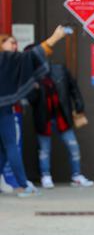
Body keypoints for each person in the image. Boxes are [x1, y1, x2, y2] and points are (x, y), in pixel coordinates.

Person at [0, 26, 67, 197]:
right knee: (10, 146)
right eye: (11, 42)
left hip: (4, 108)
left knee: (3, 149)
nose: (15, 46)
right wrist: (54, 38)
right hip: (3, 110)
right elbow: (31, 56)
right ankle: (23, 185)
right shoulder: (7, 59)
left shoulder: (7, 60)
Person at [26, 55, 94, 189]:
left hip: (61, 116)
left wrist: (79, 103)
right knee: (44, 150)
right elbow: (31, 100)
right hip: (43, 117)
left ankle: (76, 176)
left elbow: (73, 87)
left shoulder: (60, 69)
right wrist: (34, 88)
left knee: (73, 147)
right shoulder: (31, 76)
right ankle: (45, 176)